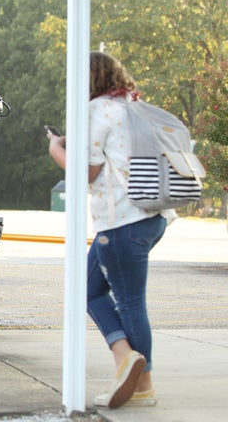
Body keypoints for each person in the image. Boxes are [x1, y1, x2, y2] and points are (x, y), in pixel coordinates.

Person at [46, 51, 168, 409]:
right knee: (88, 289)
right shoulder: (132, 106)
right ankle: (125, 357)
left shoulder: (97, 110)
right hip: (152, 216)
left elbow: (87, 173)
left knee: (130, 303)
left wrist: (56, 149)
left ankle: (141, 384)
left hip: (121, 223)